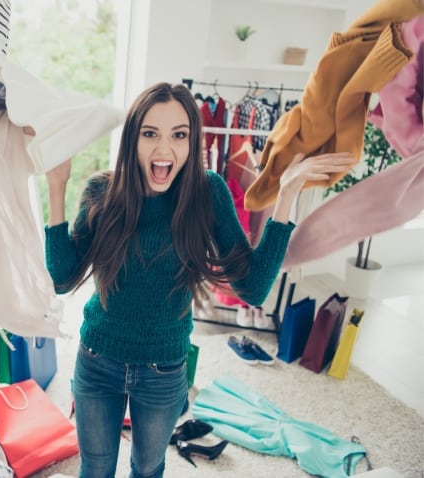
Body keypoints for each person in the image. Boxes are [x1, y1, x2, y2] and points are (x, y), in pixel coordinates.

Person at [43, 82, 356, 478]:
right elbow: (62, 278)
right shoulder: (103, 192)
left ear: (192, 142)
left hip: (163, 368)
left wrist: (288, 193)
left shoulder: (207, 192)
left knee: (148, 467)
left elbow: (254, 287)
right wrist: (57, 186)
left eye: (179, 135)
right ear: (132, 140)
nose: (163, 149)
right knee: (97, 467)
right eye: (150, 134)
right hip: (97, 359)